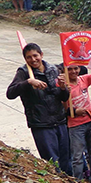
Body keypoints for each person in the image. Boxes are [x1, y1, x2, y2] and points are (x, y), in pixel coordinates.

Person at [7, 43, 72, 175]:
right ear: (25, 59)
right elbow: (10, 93)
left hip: (60, 121)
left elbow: (63, 97)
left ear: (41, 55)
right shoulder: (24, 72)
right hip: (41, 124)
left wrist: (63, 87)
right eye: (29, 57)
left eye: (35, 55)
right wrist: (28, 82)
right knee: (52, 162)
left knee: (66, 159)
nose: (33, 60)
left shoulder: (53, 69)